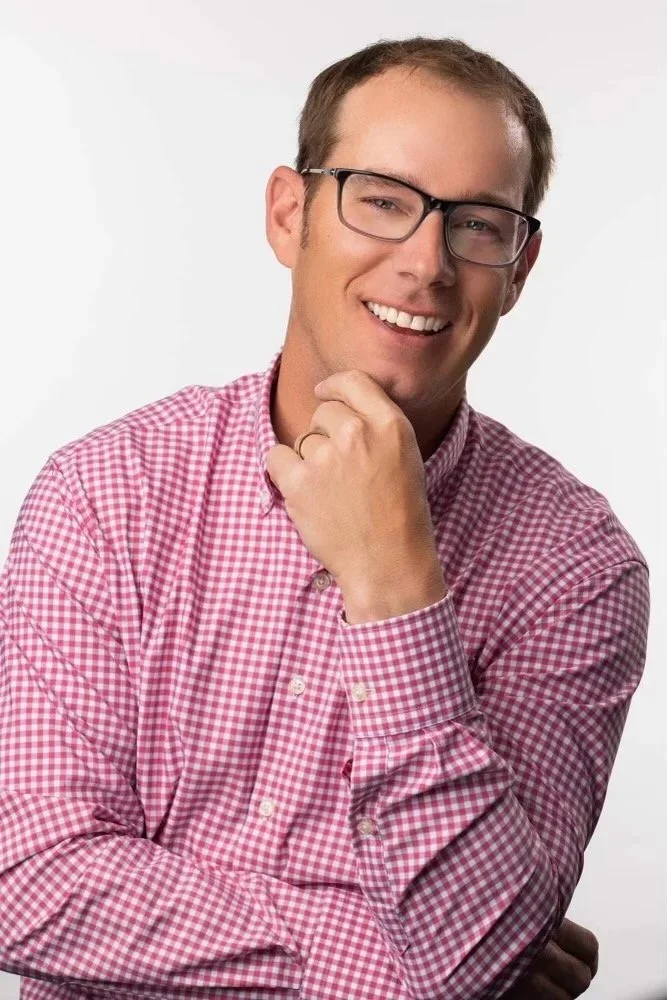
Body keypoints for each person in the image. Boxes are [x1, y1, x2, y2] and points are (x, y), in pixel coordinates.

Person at [0, 35, 649, 1000]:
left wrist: (394, 584)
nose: (425, 264)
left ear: (518, 267)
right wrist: (402, 965)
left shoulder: (577, 564)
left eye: (477, 224)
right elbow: (28, 883)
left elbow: (476, 953)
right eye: (382, 200)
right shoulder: (108, 494)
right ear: (289, 213)